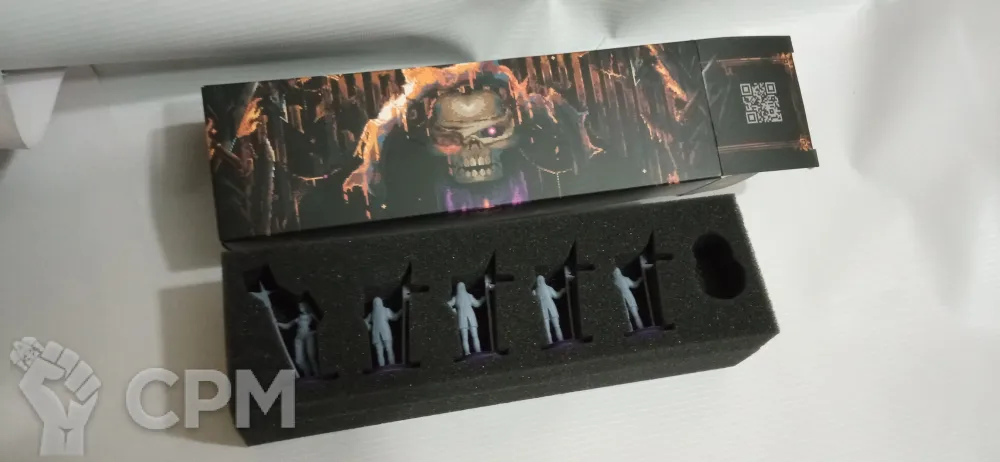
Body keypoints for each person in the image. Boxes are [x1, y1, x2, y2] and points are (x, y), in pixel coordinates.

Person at [278, 302, 320, 377]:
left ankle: (317, 374)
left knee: (312, 357)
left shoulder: (311, 316)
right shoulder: (298, 318)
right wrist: (277, 323)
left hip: (309, 336)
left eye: (302, 306)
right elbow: (287, 326)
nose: (301, 308)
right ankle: (308, 375)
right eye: (300, 306)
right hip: (299, 339)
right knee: (299, 361)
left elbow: (319, 324)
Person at [446, 281, 488, 356]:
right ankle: (477, 351)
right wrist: (483, 298)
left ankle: (469, 352)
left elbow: (448, 304)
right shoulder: (468, 296)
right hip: (470, 317)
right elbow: (477, 304)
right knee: (473, 336)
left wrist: (453, 311)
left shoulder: (456, 298)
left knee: (466, 338)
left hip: (463, 318)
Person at [364, 296, 404, 367]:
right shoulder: (385, 310)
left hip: (377, 335)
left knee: (380, 353)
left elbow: (365, 321)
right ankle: (392, 366)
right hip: (385, 334)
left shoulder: (372, 314)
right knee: (389, 351)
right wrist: (401, 311)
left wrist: (370, 327)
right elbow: (395, 317)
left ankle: (383, 368)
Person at [532, 275, 566, 344]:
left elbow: (556, 295)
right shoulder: (540, 290)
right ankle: (553, 341)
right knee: (550, 328)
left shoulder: (540, 290)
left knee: (554, 327)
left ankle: (558, 340)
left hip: (548, 310)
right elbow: (556, 295)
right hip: (545, 311)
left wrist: (562, 291)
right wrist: (562, 291)